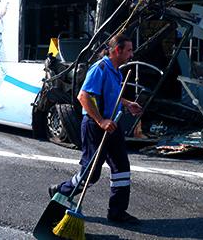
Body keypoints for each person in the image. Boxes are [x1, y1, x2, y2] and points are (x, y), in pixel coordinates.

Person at [49, 34, 143, 224]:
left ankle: (117, 212)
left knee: (122, 168)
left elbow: (110, 95)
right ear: (117, 50)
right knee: (91, 174)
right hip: (95, 125)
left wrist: (126, 103)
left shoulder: (116, 70)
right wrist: (101, 121)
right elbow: (83, 96)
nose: (131, 54)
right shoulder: (99, 68)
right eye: (129, 50)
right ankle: (61, 190)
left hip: (112, 125)